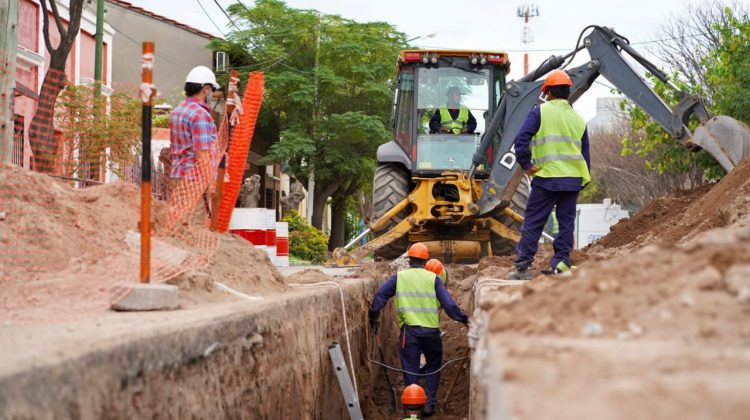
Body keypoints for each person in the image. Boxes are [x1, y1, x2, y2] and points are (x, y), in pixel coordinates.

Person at [507, 70, 590, 280]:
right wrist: (581, 181)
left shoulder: (540, 112)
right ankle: (561, 264)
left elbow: (521, 140)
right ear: (567, 92)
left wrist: (527, 165)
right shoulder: (578, 119)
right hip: (572, 180)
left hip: (547, 179)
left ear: (547, 92)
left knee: (534, 221)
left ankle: (524, 267)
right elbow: (585, 155)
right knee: (566, 224)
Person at [368, 243, 468, 417]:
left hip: (410, 333)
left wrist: (374, 314)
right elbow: (449, 305)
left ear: (409, 260)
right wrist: (463, 319)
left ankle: (412, 408)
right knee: (433, 366)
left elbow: (381, 294)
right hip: (431, 333)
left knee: (411, 369)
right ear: (425, 260)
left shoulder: (400, 277)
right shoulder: (433, 278)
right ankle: (429, 404)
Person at [164, 66, 220, 231]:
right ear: (206, 89)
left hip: (177, 175)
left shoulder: (177, 112)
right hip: (194, 180)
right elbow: (201, 153)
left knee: (178, 222)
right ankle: (193, 256)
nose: (211, 94)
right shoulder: (200, 115)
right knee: (193, 227)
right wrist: (211, 181)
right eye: (211, 90)